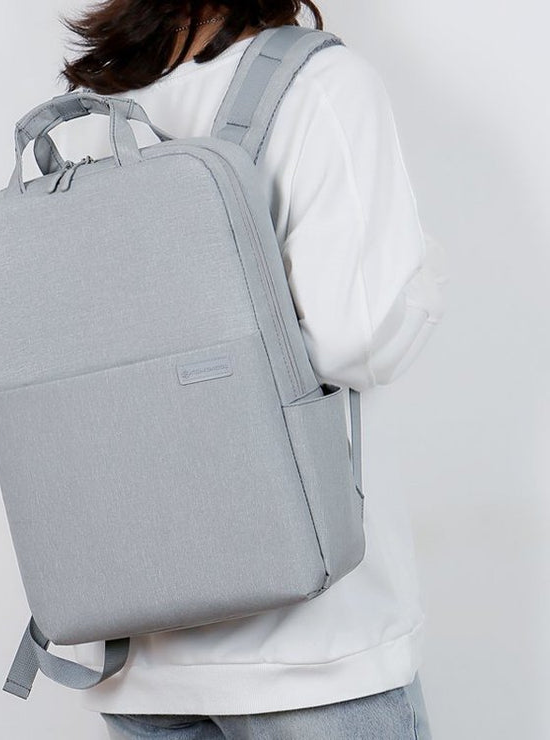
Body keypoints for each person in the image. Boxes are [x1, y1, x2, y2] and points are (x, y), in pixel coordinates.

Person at [48, 1, 448, 737]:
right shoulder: (319, 84)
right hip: (310, 646)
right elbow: (359, 337)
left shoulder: (87, 112)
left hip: (135, 647)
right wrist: (422, 273)